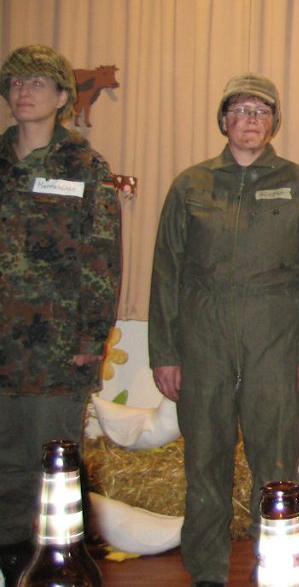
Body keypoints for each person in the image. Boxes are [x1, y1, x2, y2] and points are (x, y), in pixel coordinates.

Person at [148, 74, 299, 587]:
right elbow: (166, 272)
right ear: (224, 120)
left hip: (275, 335)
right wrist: (164, 352)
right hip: (202, 337)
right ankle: (206, 571)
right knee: (205, 457)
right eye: (240, 110)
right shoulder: (191, 184)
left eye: (261, 111)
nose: (251, 120)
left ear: (274, 122)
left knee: (276, 459)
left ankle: (277, 565)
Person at [0, 44, 122, 584]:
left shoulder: (85, 166)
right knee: (4, 465)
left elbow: (102, 258)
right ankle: (9, 563)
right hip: (1, 345)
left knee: (53, 467)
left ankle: (58, 566)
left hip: (56, 348)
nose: (23, 92)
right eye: (15, 83)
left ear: (61, 97)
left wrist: (91, 338)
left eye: (36, 83)